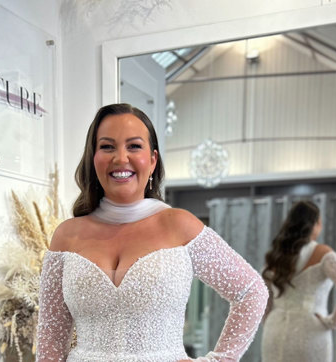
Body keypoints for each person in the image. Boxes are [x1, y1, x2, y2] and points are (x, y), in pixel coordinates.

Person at [36, 103, 269, 362]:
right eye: (107, 146)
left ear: (153, 160)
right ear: (94, 158)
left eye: (134, 146)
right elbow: (50, 342)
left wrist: (219, 359)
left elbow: (251, 291)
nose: (120, 158)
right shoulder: (67, 236)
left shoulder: (179, 225)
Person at [261, 201, 336, 362]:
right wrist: (333, 321)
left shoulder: (275, 255)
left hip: (274, 329)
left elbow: (264, 295)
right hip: (309, 330)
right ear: (315, 224)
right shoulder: (322, 253)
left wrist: (268, 320)